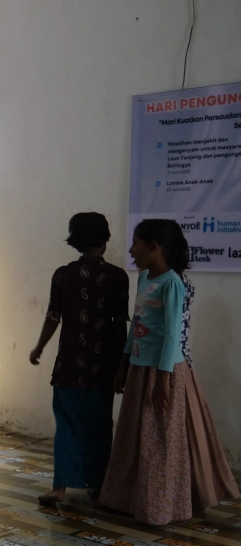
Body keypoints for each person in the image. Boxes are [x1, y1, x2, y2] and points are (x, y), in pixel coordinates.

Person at [29, 213, 129, 506]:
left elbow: (52, 317)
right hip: (104, 368)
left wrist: (39, 347)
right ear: (106, 240)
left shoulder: (62, 275)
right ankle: (97, 487)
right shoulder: (117, 277)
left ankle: (59, 488)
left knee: (68, 426)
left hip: (69, 366)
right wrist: (122, 366)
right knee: (99, 426)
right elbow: (121, 324)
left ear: (74, 241)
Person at [100, 219, 191, 525]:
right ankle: (125, 501)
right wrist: (124, 364)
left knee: (157, 443)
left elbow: (171, 335)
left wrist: (163, 380)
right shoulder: (144, 278)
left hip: (161, 373)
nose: (131, 249)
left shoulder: (172, 284)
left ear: (154, 247)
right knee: (132, 438)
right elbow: (135, 326)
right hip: (139, 370)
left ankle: (158, 509)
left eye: (136, 242)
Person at [177, 259, 240, 509]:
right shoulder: (174, 282)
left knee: (191, 438)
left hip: (178, 367)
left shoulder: (176, 283)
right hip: (181, 366)